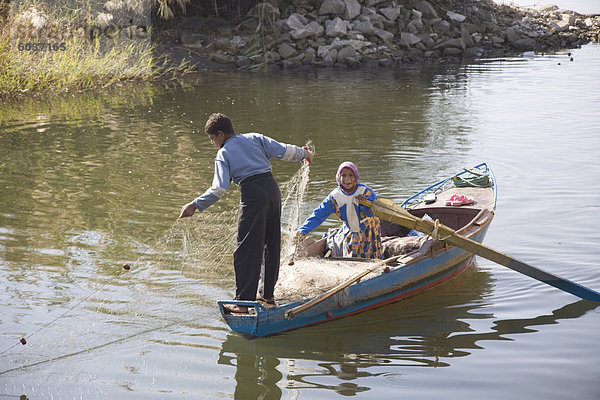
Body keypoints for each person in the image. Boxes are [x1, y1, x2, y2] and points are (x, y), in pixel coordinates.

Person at [179, 113, 313, 313]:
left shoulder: (223, 154)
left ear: (221, 134)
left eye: (212, 138)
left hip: (253, 195)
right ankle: (267, 296)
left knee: (247, 248)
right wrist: (304, 154)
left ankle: (242, 303)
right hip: (272, 189)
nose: (212, 142)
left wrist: (195, 205)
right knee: (271, 243)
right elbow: (283, 150)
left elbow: (219, 189)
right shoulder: (254, 138)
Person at [297, 161, 381, 259]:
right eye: (343, 175)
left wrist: (366, 204)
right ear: (338, 177)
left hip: (369, 232)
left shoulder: (365, 192)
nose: (347, 179)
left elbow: (374, 213)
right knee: (352, 260)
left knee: (372, 259)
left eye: (351, 175)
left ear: (356, 177)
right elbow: (318, 215)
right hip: (351, 234)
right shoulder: (335, 197)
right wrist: (302, 231)